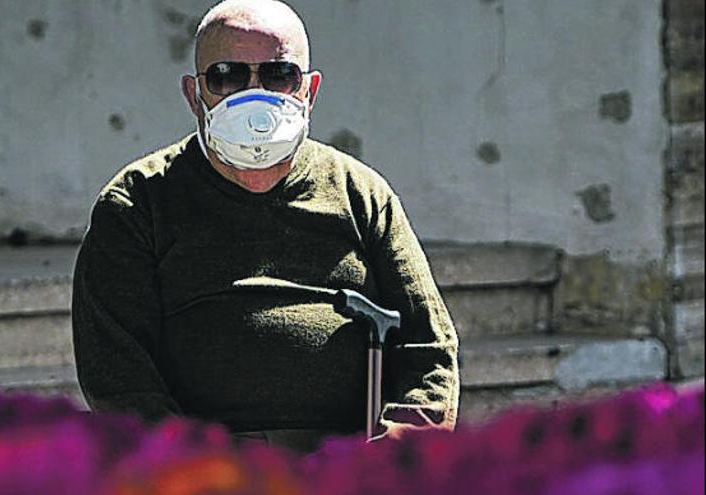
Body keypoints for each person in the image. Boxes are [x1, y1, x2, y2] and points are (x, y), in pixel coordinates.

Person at [71, 0, 459, 453]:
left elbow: (428, 347)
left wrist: (397, 450)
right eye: (226, 76)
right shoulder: (138, 202)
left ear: (309, 91)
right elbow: (118, 376)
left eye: (279, 76)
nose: (253, 95)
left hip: (349, 464)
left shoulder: (360, 193)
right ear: (195, 95)